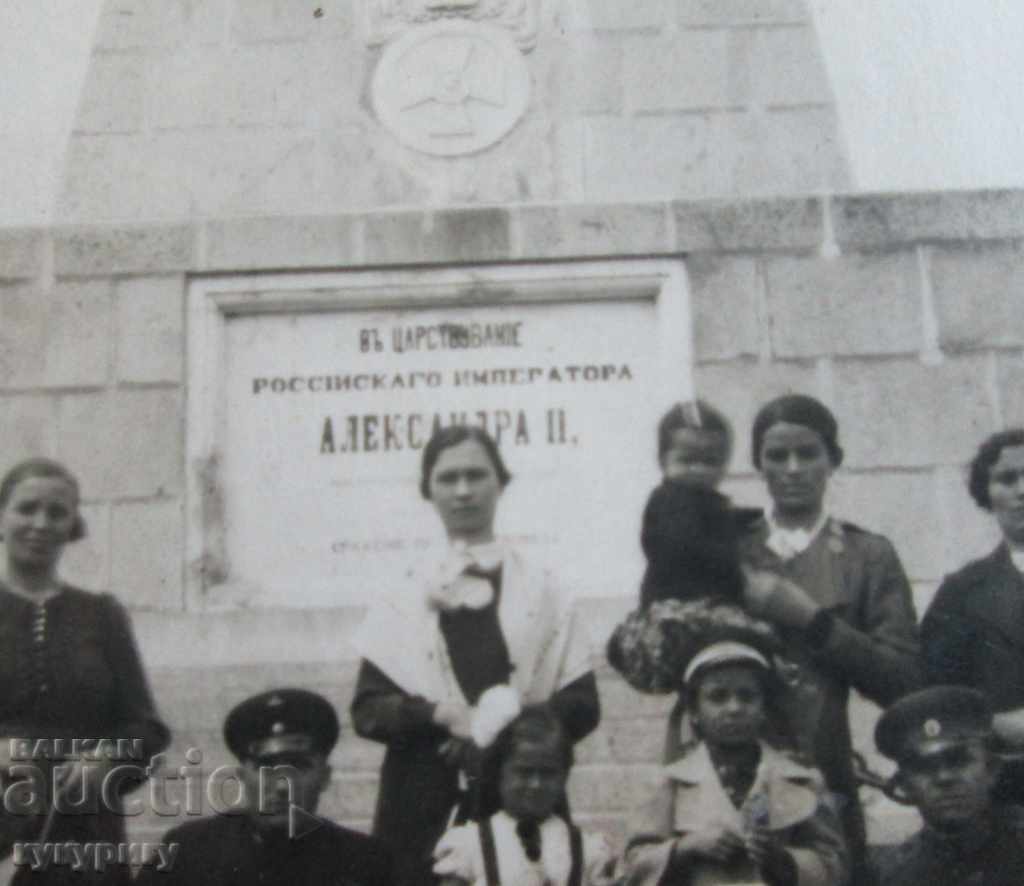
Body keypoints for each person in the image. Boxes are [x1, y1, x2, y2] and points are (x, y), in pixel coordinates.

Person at [351, 425, 600, 885]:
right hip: (425, 793)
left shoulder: (542, 589)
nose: (463, 491)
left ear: (500, 483)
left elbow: (583, 703)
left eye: (476, 475)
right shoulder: (402, 591)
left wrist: (506, 727)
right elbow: (368, 710)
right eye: (448, 478)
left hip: (521, 790)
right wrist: (442, 715)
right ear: (428, 490)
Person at [737, 394, 921, 876]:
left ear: (832, 460)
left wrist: (814, 622)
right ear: (758, 463)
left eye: (808, 453)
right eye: (777, 456)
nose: (793, 469)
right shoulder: (731, 550)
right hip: (733, 771)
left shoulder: (867, 555)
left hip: (827, 774)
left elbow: (902, 680)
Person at [0, 458, 169, 885]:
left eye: (57, 512)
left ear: (72, 525)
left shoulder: (102, 616)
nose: (40, 523)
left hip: (83, 836)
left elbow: (145, 728)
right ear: (2, 516)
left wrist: (107, 757)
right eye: (27, 508)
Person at [621, 637, 847, 886]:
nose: (734, 708)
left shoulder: (802, 781)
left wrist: (782, 860)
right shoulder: (667, 784)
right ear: (694, 712)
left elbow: (834, 866)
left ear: (764, 708)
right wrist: (684, 848)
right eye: (718, 697)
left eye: (747, 696)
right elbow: (632, 867)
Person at [140, 688, 394, 886]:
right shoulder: (190, 853)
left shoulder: (364, 863)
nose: (282, 786)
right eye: (265, 768)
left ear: (325, 777)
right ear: (241, 776)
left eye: (298, 766)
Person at [607, 400, 767, 694]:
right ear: (663, 460)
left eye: (711, 462)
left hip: (700, 599)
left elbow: (709, 525)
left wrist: (740, 520)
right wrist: (732, 561)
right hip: (680, 600)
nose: (699, 470)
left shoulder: (705, 500)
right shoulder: (670, 500)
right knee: (755, 637)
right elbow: (681, 543)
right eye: (687, 460)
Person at [921, 428, 1024, 803]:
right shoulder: (961, 594)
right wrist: (994, 724)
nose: (1022, 491)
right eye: (1007, 479)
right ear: (987, 493)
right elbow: (936, 698)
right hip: (1007, 792)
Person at [432, 705, 615, 886]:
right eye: (524, 772)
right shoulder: (472, 845)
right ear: (500, 773)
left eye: (548, 773)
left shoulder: (584, 850)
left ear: (564, 776)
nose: (536, 784)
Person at [871, 685, 1024, 886]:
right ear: (905, 785)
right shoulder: (893, 875)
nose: (943, 778)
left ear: (992, 769)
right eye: (923, 767)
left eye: (958, 761)